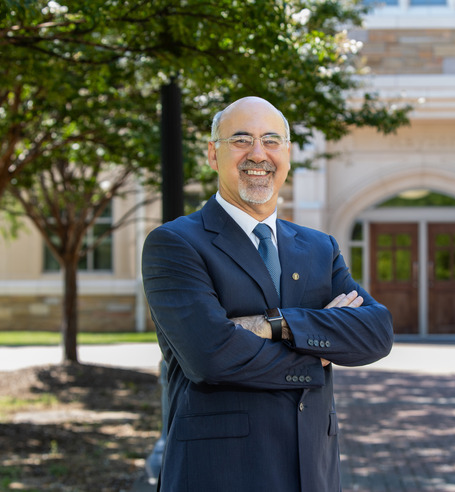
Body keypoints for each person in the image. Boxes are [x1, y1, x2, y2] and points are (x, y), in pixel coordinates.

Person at [142, 96, 393, 492]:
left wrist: (276, 325)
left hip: (313, 473)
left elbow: (376, 332)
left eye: (271, 140)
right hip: (219, 475)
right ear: (213, 153)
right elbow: (211, 356)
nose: (258, 154)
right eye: (241, 140)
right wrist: (319, 352)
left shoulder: (319, 248)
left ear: (287, 154)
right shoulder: (176, 243)